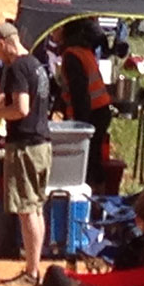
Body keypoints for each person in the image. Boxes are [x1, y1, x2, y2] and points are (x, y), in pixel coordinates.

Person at [0, 22, 52, 286]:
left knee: (27, 210)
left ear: (3, 43)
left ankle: (31, 271)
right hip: (42, 144)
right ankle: (34, 268)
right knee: (35, 208)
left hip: (25, 146)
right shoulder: (36, 65)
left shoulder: (16, 67)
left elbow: (21, 109)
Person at [53, 18, 115, 190]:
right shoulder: (82, 50)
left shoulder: (72, 55)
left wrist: (80, 127)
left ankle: (93, 196)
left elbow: (80, 94)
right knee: (93, 157)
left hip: (92, 113)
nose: (53, 32)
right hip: (99, 110)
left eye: (57, 28)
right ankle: (97, 193)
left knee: (89, 159)